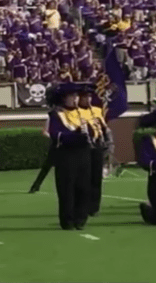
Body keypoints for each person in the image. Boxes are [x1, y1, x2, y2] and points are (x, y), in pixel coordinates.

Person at [46, 82, 92, 230]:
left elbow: (91, 133)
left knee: (83, 187)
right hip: (66, 156)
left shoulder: (82, 114)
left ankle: (81, 218)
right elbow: (56, 135)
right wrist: (75, 135)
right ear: (64, 98)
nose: (75, 98)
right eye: (71, 96)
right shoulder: (56, 114)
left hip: (83, 155)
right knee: (67, 189)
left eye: (76, 95)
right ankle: (67, 220)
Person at [78, 84, 111, 216]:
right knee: (84, 177)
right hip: (84, 147)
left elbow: (104, 128)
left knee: (96, 178)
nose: (88, 99)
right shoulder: (76, 112)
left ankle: (94, 207)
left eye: (89, 96)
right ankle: (83, 205)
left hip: (97, 145)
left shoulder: (97, 110)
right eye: (84, 97)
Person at [29, 85, 59, 193]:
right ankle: (35, 186)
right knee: (47, 166)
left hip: (64, 145)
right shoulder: (52, 117)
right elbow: (44, 131)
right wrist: (54, 137)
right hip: (56, 145)